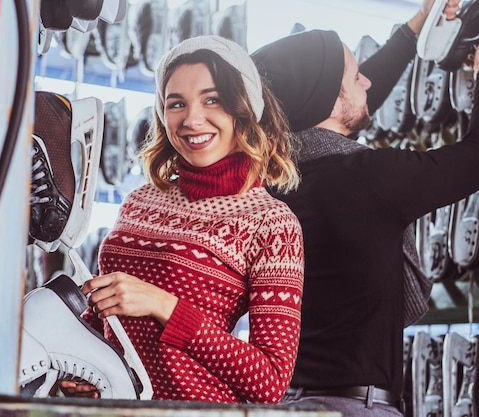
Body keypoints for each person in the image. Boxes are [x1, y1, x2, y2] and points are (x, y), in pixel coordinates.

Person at [251, 0, 479, 415]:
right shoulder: (370, 177)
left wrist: (417, 25)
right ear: (330, 102)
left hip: (287, 403)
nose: (368, 82)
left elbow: (349, 105)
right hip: (358, 406)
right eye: (356, 76)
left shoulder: (271, 184)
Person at [61, 35, 305, 403]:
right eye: (176, 104)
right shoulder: (139, 201)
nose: (192, 119)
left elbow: (269, 382)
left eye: (212, 99)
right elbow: (106, 319)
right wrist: (81, 368)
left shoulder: (270, 222)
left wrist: (163, 306)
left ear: (244, 108)